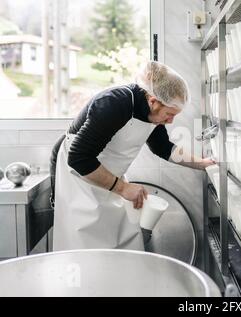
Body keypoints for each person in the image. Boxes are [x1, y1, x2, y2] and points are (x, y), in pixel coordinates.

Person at [50, 61, 214, 251]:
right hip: (78, 179)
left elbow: (163, 148)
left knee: (120, 236)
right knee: (85, 243)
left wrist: (202, 164)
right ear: (153, 101)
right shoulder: (113, 103)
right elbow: (79, 158)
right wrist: (122, 188)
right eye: (169, 114)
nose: (170, 121)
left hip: (107, 176)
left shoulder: (152, 112)